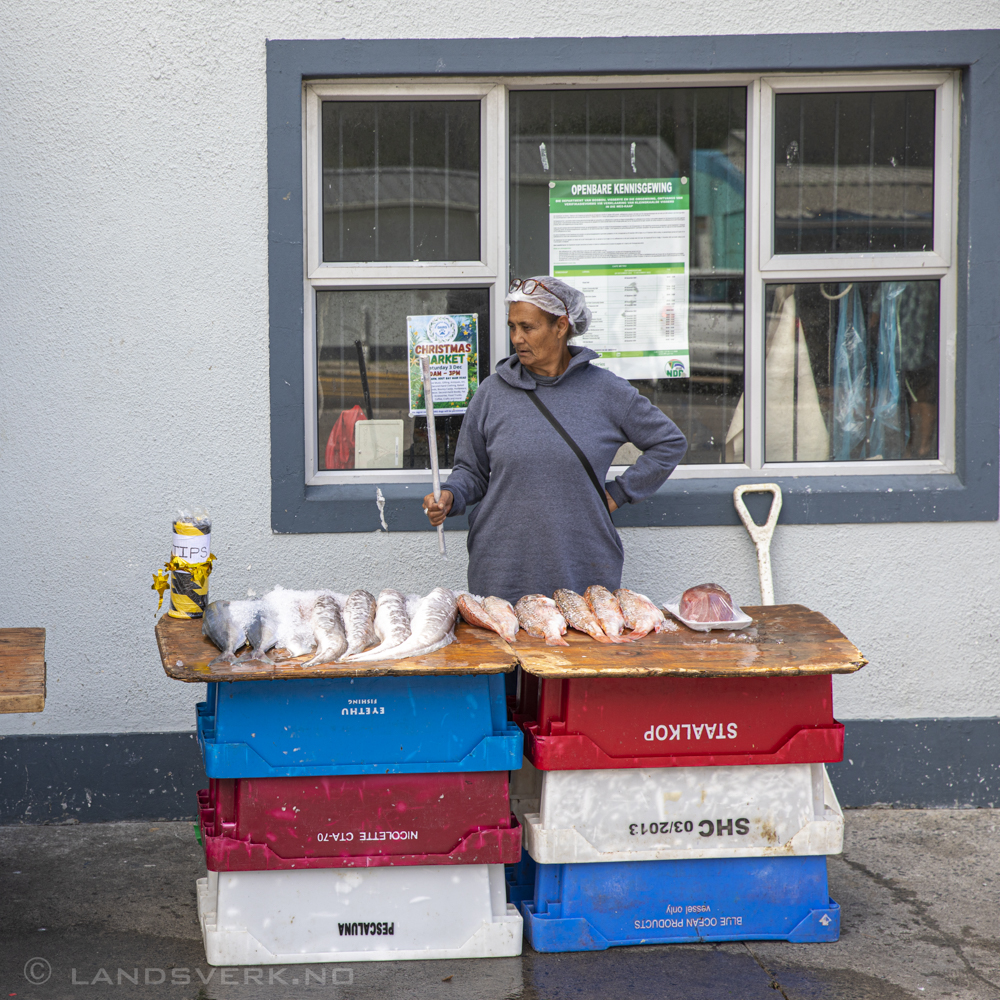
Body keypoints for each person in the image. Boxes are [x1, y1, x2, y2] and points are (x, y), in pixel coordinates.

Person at [422, 277, 687, 604]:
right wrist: (449, 495)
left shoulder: (607, 392)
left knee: (580, 650)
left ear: (561, 326)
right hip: (501, 568)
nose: (516, 338)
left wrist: (619, 493)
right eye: (512, 327)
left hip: (581, 565)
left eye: (527, 327)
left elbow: (669, 442)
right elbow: (471, 471)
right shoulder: (491, 394)